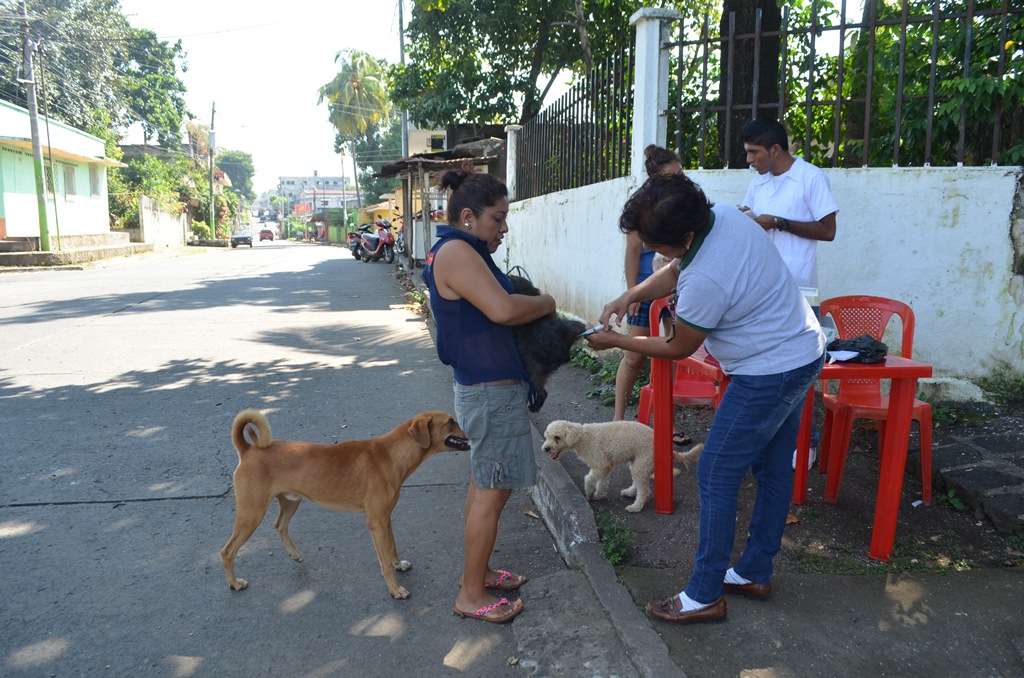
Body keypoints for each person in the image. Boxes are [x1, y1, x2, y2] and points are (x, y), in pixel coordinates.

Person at [585, 172, 825, 624]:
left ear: (686, 234)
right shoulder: (727, 218)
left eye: (660, 244)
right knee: (773, 469)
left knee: (715, 470)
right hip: (802, 352)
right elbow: (677, 268)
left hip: (769, 370)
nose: (656, 253)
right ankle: (753, 570)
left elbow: (677, 346)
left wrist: (617, 342)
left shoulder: (707, 281)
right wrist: (631, 296)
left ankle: (704, 593)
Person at [423, 169, 556, 624]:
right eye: (498, 219)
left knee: (486, 485)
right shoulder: (457, 251)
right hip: (487, 391)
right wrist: (548, 303)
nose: (504, 228)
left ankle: (479, 573)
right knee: (492, 491)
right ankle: (470, 593)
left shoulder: (467, 250)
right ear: (467, 216)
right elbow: (502, 309)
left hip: (489, 388)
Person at [739, 116, 838, 470]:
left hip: (799, 291)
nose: (749, 159)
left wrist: (777, 221)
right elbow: (754, 225)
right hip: (760, 289)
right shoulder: (759, 183)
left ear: (775, 149)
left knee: (801, 368)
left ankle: (806, 442)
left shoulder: (811, 177)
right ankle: (766, 443)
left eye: (754, 152)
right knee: (762, 365)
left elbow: (828, 230)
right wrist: (747, 221)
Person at [613, 145, 690, 446]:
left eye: (679, 173)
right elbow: (633, 251)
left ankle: (664, 424)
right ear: (655, 178)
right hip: (648, 287)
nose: (677, 179)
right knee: (634, 357)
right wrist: (632, 294)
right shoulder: (643, 204)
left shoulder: (686, 202)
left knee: (669, 354)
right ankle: (617, 422)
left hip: (676, 286)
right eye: (671, 175)